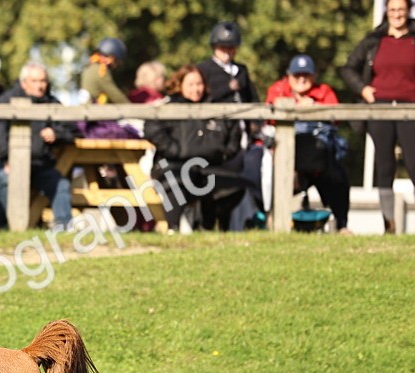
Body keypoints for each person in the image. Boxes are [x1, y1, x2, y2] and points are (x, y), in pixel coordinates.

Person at [342, 0, 415, 234]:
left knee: (413, 163)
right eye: (392, 10)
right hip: (380, 108)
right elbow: (348, 68)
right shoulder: (373, 40)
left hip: (410, 108)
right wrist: (363, 89)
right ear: (386, 12)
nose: (396, 14)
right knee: (384, 166)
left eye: (401, 10)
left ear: (408, 11)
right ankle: (389, 224)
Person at [144, 65, 246, 232]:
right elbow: (151, 128)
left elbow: (233, 133)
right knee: (176, 181)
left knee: (232, 185)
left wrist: (223, 153)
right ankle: (172, 229)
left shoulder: (215, 106)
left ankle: (211, 228)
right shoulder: (168, 107)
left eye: (199, 84)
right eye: (190, 84)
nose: (196, 89)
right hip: (174, 166)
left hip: (210, 166)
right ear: (180, 85)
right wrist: (175, 150)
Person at [0, 62, 76, 230]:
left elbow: (72, 130)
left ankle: (64, 230)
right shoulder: (5, 102)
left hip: (40, 166)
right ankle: (7, 228)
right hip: (9, 164)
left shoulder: (52, 103)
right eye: (35, 81)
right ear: (24, 82)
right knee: (6, 180)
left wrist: (57, 134)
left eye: (43, 81)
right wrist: (7, 160)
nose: (40, 86)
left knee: (61, 184)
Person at [267, 55, 351, 233]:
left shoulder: (324, 92)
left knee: (338, 178)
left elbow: (337, 118)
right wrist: (297, 105)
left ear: (314, 75)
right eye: (297, 75)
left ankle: (342, 226)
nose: (302, 79)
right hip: (286, 161)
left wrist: (314, 107)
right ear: (289, 76)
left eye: (306, 75)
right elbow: (268, 118)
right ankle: (268, 224)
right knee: (265, 177)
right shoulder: (278, 90)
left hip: (319, 160)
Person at [197, 20, 264, 227]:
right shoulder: (204, 69)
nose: (227, 51)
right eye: (222, 47)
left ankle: (245, 220)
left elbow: (251, 98)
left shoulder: (241, 70)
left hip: (242, 136)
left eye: (231, 47)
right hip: (217, 136)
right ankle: (207, 223)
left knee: (239, 181)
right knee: (215, 181)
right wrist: (227, 88)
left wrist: (256, 123)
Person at [80, 37, 129, 104]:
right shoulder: (101, 71)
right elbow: (116, 96)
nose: (115, 66)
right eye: (116, 62)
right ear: (112, 57)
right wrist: (133, 109)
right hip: (93, 112)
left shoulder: (90, 66)